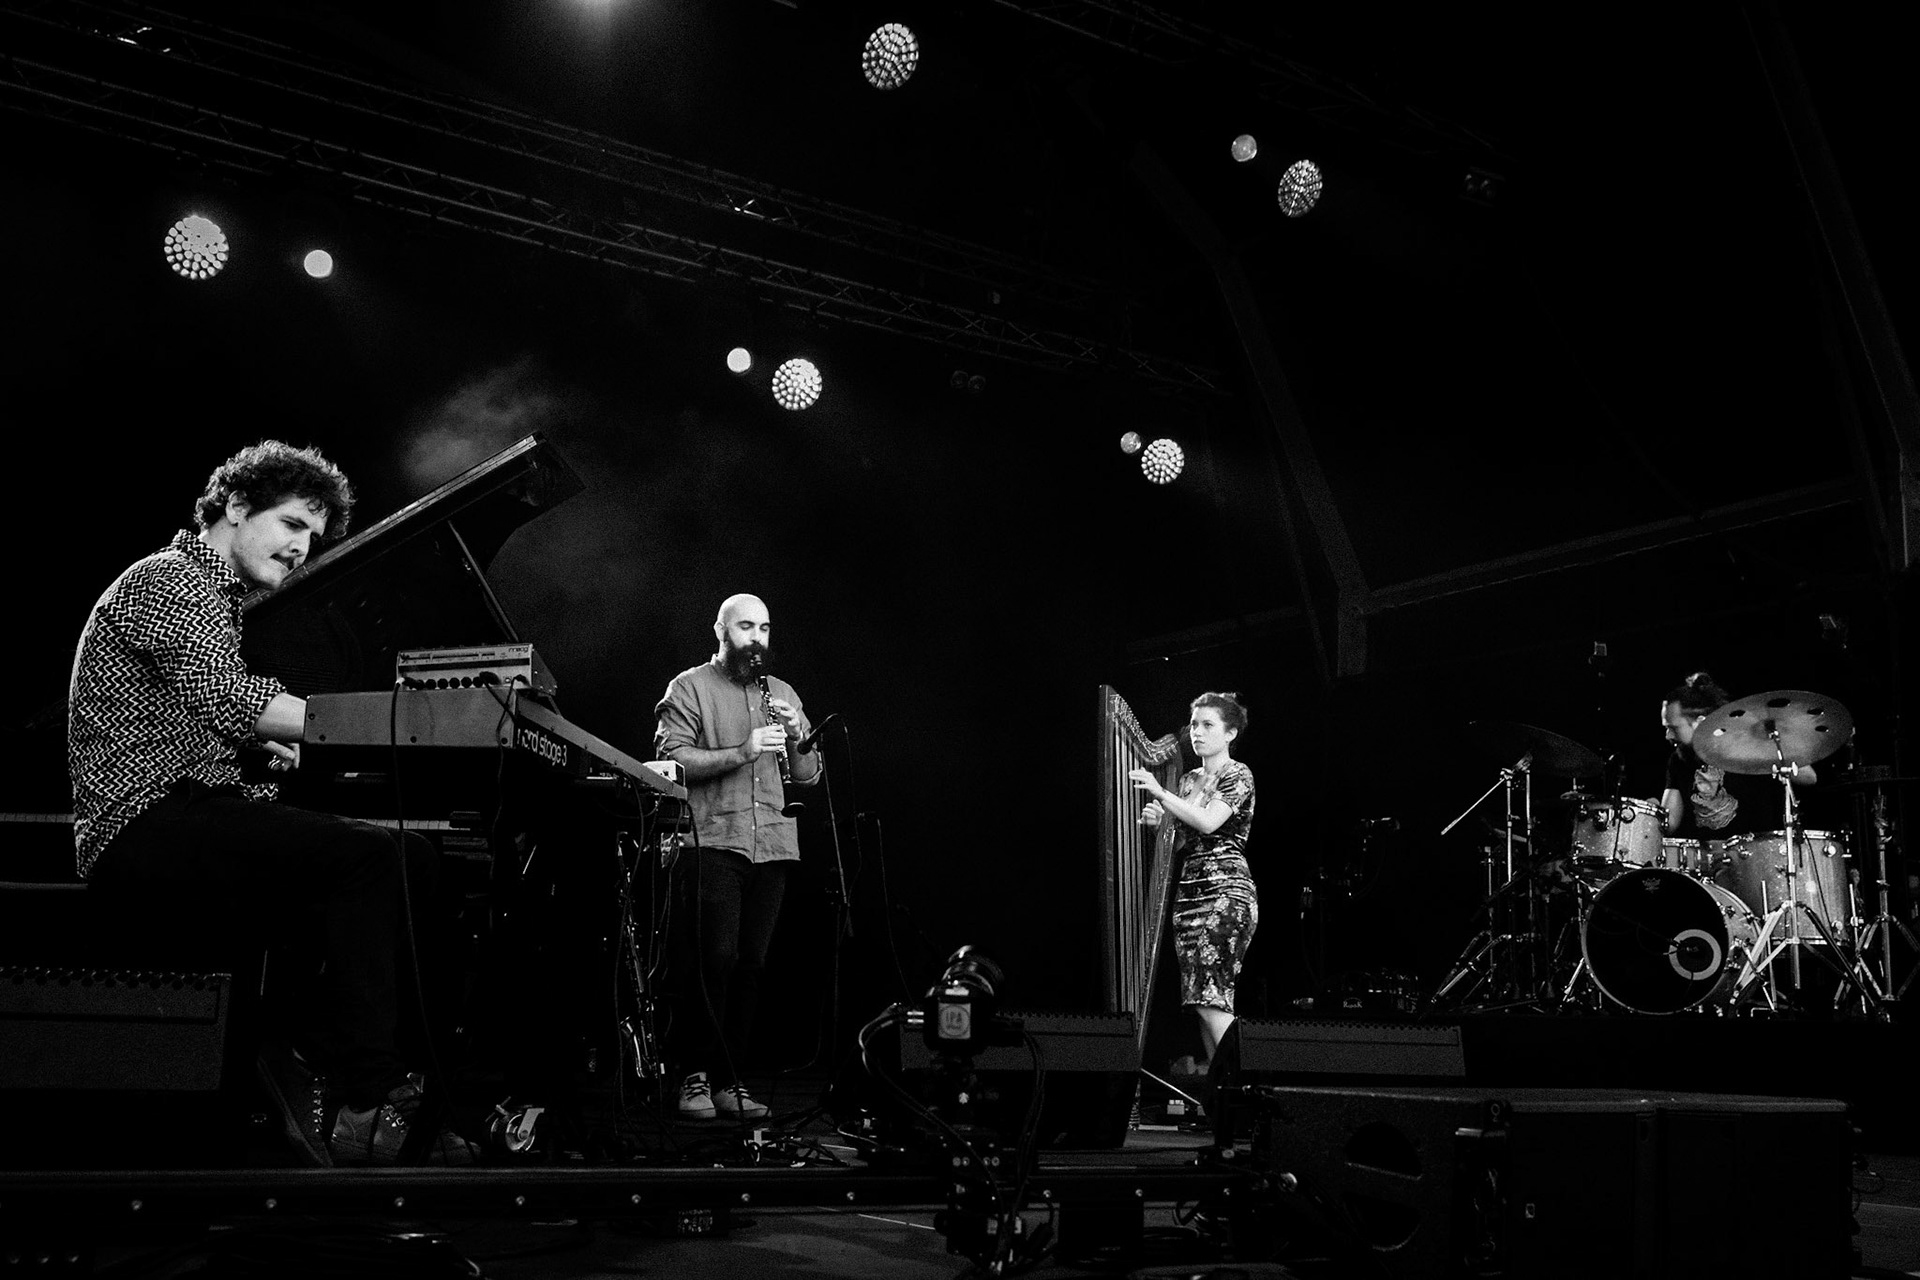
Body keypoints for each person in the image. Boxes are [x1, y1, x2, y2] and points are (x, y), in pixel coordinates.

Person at [68, 440, 475, 1167]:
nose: (301, 548)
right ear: (234, 506)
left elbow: (201, 719)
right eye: (291, 524)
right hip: (143, 824)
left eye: (312, 538)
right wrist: (380, 722)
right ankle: (365, 1089)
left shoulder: (219, 603)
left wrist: (265, 750)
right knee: (367, 857)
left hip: (192, 809)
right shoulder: (167, 581)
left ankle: (303, 1045)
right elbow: (230, 697)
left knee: (408, 856)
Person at [654, 592, 820, 1121]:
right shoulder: (689, 687)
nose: (757, 638)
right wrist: (742, 752)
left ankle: (730, 1079)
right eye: (746, 627)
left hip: (771, 844)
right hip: (712, 841)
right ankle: (693, 1075)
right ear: (721, 632)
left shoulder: (783, 691)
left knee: (751, 966)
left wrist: (798, 739)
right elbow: (671, 761)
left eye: (765, 628)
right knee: (713, 961)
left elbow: (810, 776)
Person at [1131, 691, 1257, 1066]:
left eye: (1208, 725)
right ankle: (1224, 1093)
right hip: (1190, 895)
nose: (1197, 733)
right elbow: (1184, 841)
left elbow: (1208, 821)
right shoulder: (1188, 781)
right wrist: (1160, 826)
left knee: (1211, 997)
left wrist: (1159, 794)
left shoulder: (1238, 774)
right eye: (1194, 724)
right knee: (1202, 1000)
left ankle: (1241, 1083)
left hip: (1225, 892)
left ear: (1230, 733)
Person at [1659, 671, 1814, 839]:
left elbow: (1809, 777)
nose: (1668, 736)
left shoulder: (1747, 741)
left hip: (1754, 853)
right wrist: (1652, 815)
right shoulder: (1679, 760)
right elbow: (1669, 824)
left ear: (1700, 722)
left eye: (1674, 728)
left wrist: (1766, 749)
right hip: (1704, 860)